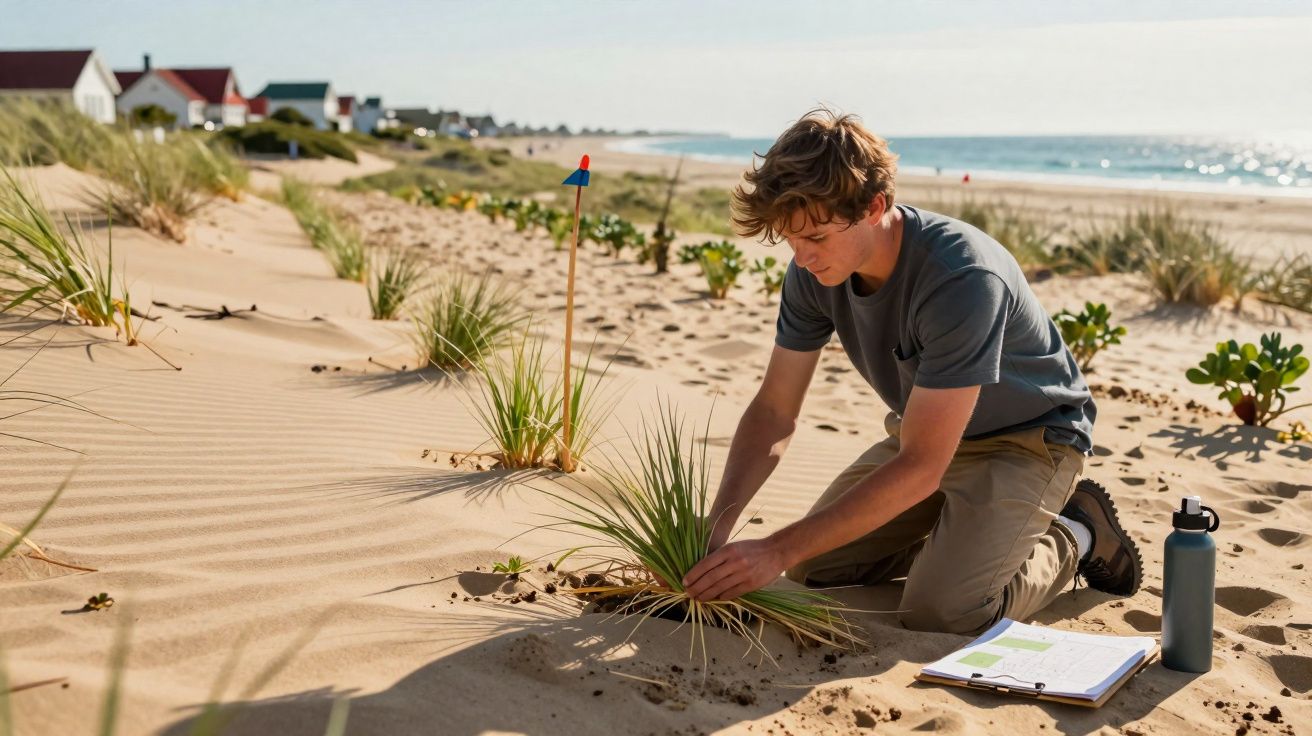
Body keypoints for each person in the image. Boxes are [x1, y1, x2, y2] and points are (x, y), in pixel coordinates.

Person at [679, 109, 1142, 635]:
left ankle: (1076, 531)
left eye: (818, 238)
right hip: (926, 435)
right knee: (813, 567)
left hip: (1029, 442)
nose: (802, 258)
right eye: (791, 239)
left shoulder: (963, 278)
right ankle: (968, 536)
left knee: (943, 612)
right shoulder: (812, 272)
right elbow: (774, 410)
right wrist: (718, 527)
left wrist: (775, 549)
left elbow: (921, 467)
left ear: (875, 206)